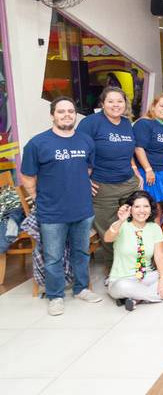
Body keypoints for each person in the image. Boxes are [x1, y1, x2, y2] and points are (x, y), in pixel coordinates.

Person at [20, 96, 103, 316]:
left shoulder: (86, 141)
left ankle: (81, 289)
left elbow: (87, 169)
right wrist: (37, 197)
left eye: (70, 111)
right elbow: (27, 176)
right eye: (61, 111)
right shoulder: (38, 143)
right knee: (53, 257)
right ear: (52, 115)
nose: (67, 115)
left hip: (82, 209)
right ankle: (55, 296)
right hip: (52, 211)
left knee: (81, 253)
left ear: (75, 115)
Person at [77, 87, 141, 259]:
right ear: (102, 103)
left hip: (128, 184)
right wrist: (83, 179)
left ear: (125, 104)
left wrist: (135, 170)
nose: (115, 105)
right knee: (109, 229)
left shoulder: (126, 123)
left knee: (134, 223)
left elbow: (127, 150)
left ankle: (135, 261)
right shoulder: (90, 123)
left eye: (119, 101)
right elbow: (77, 152)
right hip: (102, 187)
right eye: (110, 101)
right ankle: (114, 265)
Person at [105, 191, 163, 311]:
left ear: (151, 209)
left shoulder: (155, 228)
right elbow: (107, 238)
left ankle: (137, 298)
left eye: (146, 206)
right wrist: (120, 221)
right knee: (122, 286)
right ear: (130, 209)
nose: (142, 210)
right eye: (137, 207)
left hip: (146, 277)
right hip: (122, 280)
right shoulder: (121, 225)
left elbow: (159, 255)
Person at [133, 93, 163, 214]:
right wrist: (148, 170)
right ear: (153, 106)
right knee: (153, 209)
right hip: (150, 173)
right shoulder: (144, 123)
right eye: (162, 105)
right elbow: (139, 148)